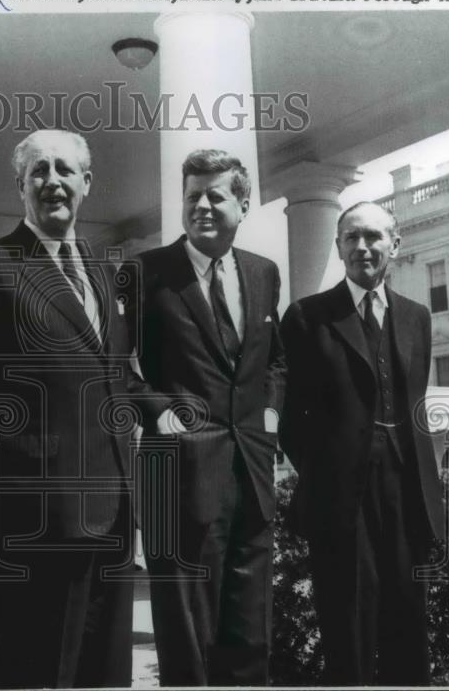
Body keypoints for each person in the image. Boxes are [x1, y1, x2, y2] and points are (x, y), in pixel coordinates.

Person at [0, 130, 138, 689]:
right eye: (39, 170)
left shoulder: (106, 273)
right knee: (35, 669)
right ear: (20, 185)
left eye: (64, 169)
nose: (52, 180)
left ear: (87, 183)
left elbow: (116, 376)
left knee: (103, 671)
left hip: (115, 504)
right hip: (36, 515)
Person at [120, 149, 286, 685]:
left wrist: (272, 417)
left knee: (250, 630)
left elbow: (275, 359)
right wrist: (161, 412)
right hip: (180, 476)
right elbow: (115, 367)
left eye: (216, 195)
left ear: (244, 202)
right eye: (193, 196)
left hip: (252, 475)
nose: (203, 206)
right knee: (188, 636)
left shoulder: (264, 273)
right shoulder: (144, 272)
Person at [279, 201, 444, 685]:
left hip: (409, 494)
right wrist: (325, 470)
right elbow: (291, 418)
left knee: (408, 630)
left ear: (396, 244)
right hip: (341, 501)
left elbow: (415, 401)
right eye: (350, 238)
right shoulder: (308, 317)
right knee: (348, 633)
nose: (361, 247)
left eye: (372, 236)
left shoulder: (417, 317)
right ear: (337, 247)